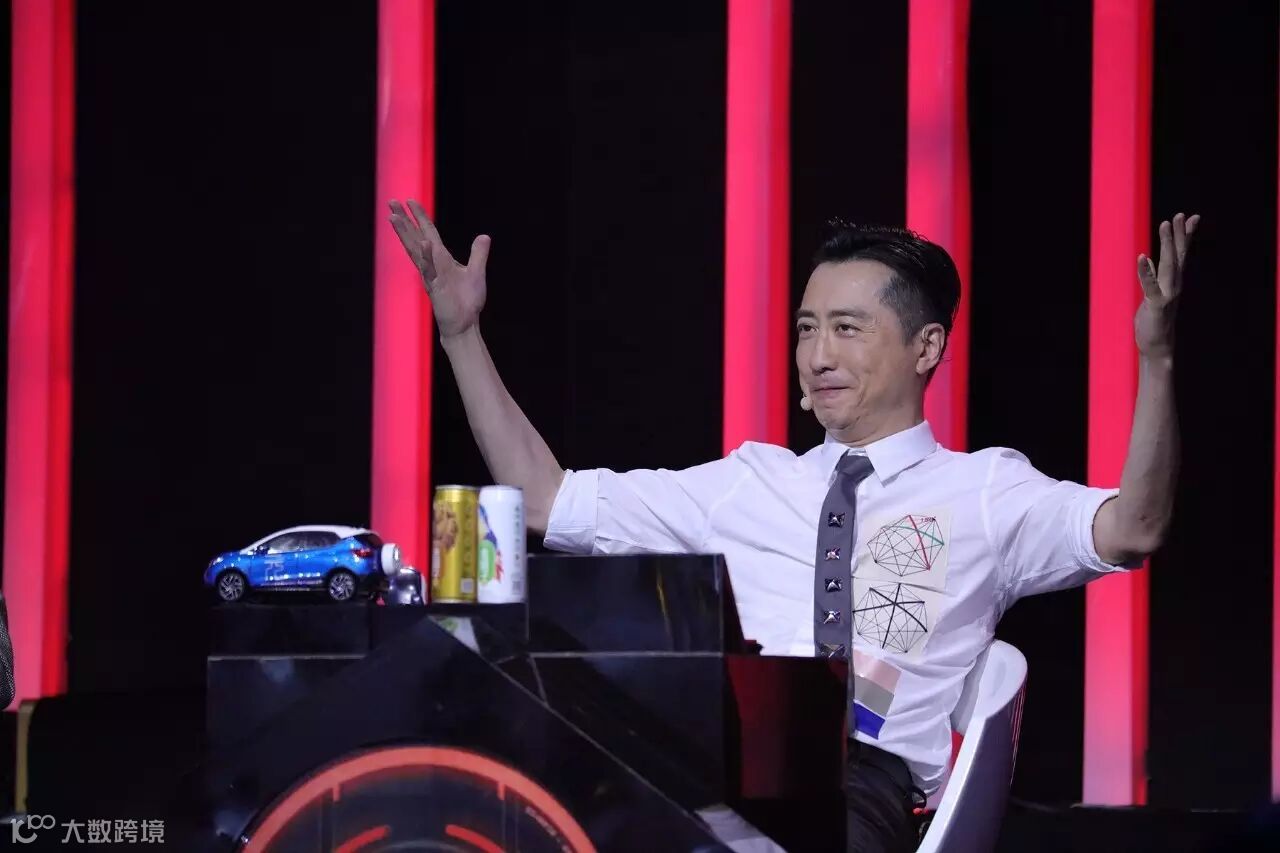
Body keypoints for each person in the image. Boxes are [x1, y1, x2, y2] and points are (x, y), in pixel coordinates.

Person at [388, 200, 1198, 853]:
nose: (817, 354)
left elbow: (1134, 526)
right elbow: (543, 500)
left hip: (860, 792)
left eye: (846, 328)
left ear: (926, 347)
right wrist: (461, 335)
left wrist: (1156, 361)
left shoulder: (985, 490)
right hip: (709, 776)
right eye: (807, 328)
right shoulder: (750, 481)